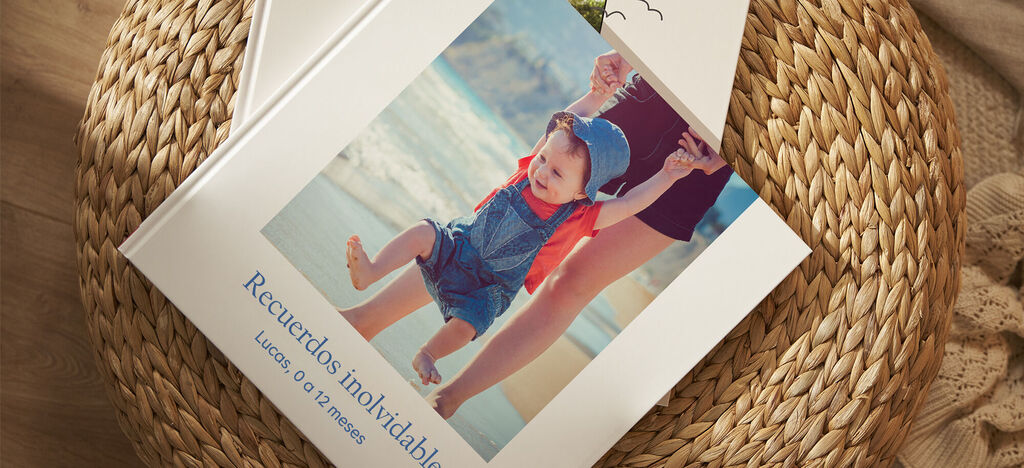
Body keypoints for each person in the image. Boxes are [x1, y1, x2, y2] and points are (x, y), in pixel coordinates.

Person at [421, 51, 733, 419]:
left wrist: (734, 149)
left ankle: (449, 399)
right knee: (493, 227)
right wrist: (628, 48)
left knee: (571, 282)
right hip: (652, 101)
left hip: (700, 155)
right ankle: (364, 321)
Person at [339, 87, 700, 386]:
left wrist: (668, 176)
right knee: (422, 231)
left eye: (557, 173)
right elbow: (558, 126)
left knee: (467, 325)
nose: (542, 171)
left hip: (488, 289)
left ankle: (428, 353)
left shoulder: (581, 216)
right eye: (542, 159)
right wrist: (596, 95)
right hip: (457, 248)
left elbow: (631, 203)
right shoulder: (528, 172)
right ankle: (371, 271)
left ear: (582, 192)